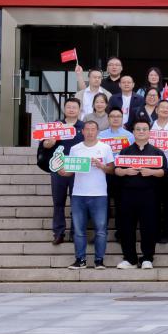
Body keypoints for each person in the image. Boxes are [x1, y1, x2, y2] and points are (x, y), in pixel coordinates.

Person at [59, 119, 114, 269]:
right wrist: (63, 172)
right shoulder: (75, 149)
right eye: (87, 129)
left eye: (93, 129)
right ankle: (80, 259)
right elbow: (71, 171)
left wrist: (101, 166)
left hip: (99, 194)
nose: (90, 132)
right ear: (82, 131)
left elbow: (111, 169)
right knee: (78, 230)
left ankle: (99, 260)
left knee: (101, 230)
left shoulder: (105, 148)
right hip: (78, 194)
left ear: (98, 131)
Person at [114, 120, 167, 270]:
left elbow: (163, 171)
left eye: (144, 129)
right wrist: (125, 171)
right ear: (133, 132)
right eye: (138, 129)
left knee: (149, 226)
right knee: (127, 227)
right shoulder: (125, 151)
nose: (141, 132)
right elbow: (117, 170)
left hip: (149, 195)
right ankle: (130, 259)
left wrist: (151, 172)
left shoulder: (157, 152)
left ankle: (147, 258)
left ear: (149, 132)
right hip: (128, 194)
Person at [37, 97, 84, 245]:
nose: (71, 109)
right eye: (68, 107)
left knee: (77, 202)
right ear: (64, 109)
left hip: (77, 169)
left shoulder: (84, 127)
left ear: (79, 110)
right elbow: (43, 144)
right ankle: (58, 232)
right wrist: (48, 144)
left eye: (74, 107)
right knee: (58, 202)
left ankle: (75, 232)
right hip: (58, 168)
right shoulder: (55, 126)